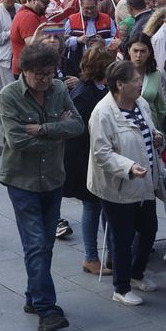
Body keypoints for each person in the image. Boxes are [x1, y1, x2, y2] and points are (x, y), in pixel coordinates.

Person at [0, 42, 84, 331]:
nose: (46, 79)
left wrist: (46, 129)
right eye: (39, 74)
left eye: (50, 73)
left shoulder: (59, 89)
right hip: (21, 181)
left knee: (45, 243)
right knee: (35, 243)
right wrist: (59, 133)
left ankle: (33, 296)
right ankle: (47, 309)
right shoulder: (9, 96)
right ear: (25, 71)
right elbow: (17, 141)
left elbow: (77, 126)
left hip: (53, 178)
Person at [87, 60, 162, 305]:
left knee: (149, 230)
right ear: (120, 84)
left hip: (145, 182)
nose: (141, 84)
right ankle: (121, 288)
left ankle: (137, 273)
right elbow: (101, 153)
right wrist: (128, 167)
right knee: (122, 238)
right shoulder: (102, 113)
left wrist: (157, 137)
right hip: (117, 187)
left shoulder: (141, 104)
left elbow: (148, 130)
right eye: (136, 80)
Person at [65, 46, 116, 274]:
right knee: (93, 206)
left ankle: (111, 253)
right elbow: (83, 130)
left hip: (97, 156)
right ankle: (91, 257)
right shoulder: (84, 94)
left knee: (104, 206)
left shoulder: (100, 88)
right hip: (86, 159)